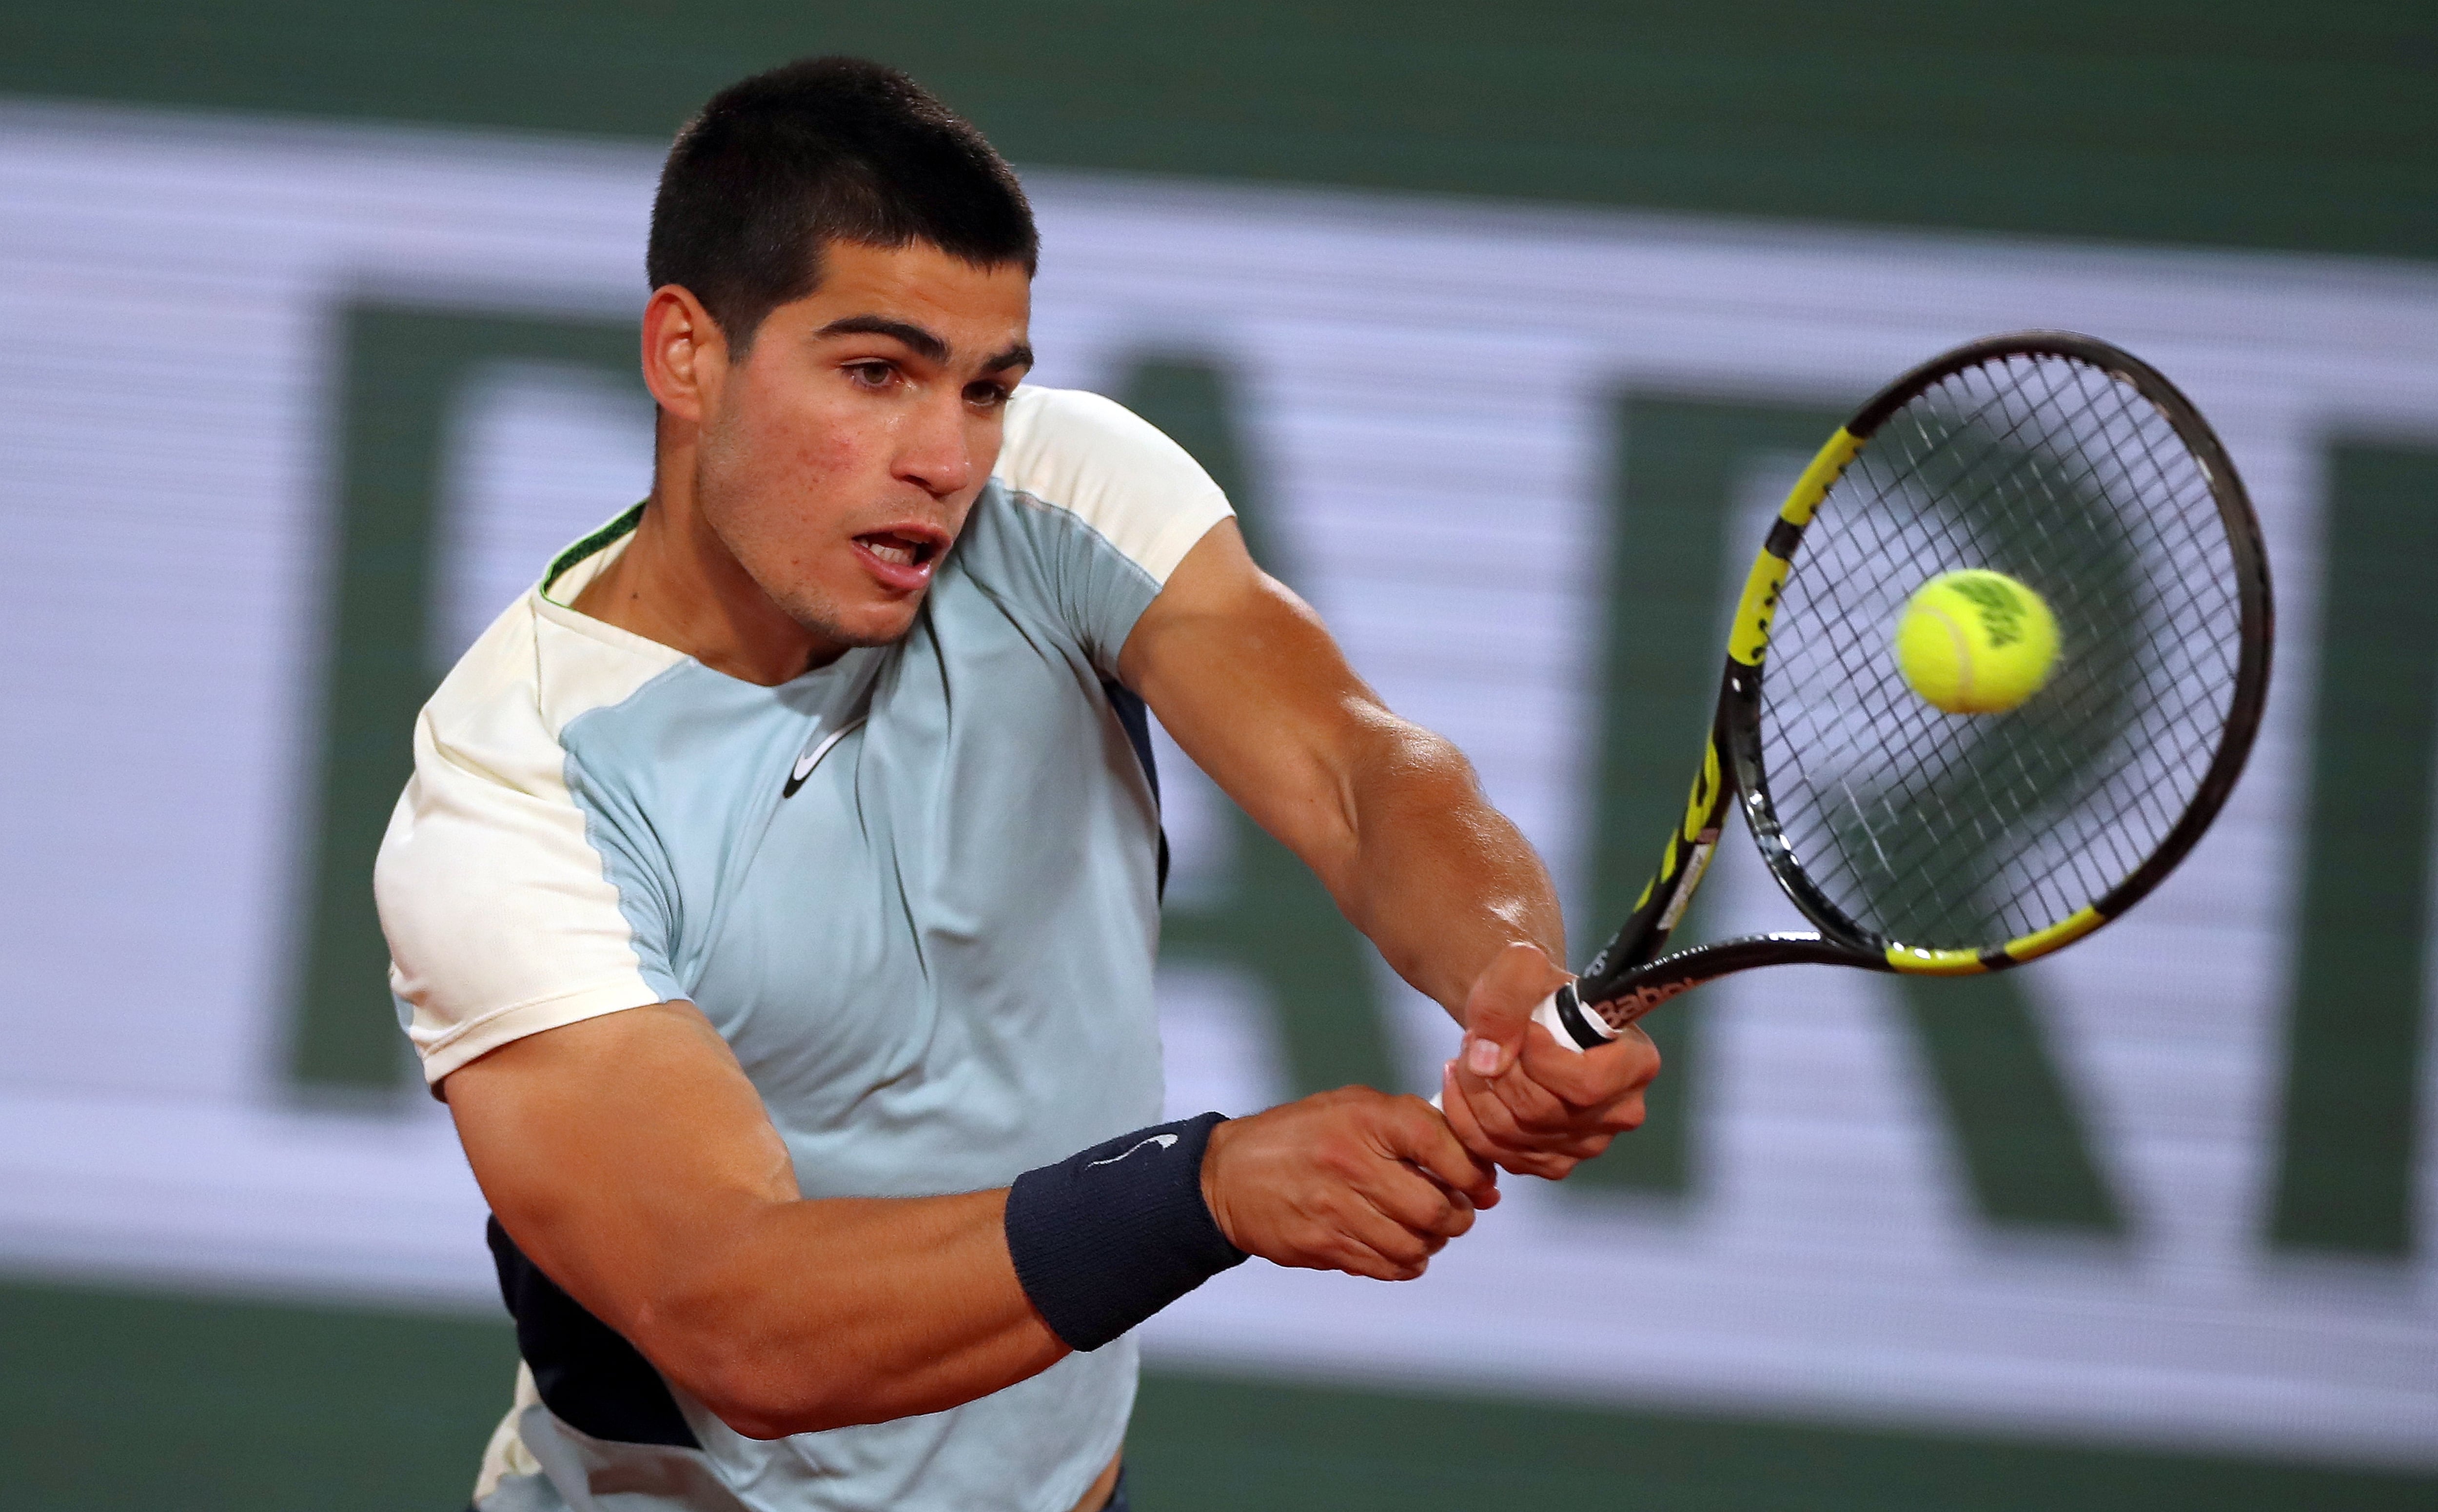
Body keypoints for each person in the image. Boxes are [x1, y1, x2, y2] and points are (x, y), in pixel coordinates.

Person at [375, 55, 1659, 1512]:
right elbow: (739, 1316)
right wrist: (1205, 1191)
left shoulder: (1056, 497)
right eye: (875, 373)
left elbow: (1361, 769)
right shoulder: (515, 799)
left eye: (987, 387)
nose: (944, 455)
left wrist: (1504, 971)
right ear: (686, 353)